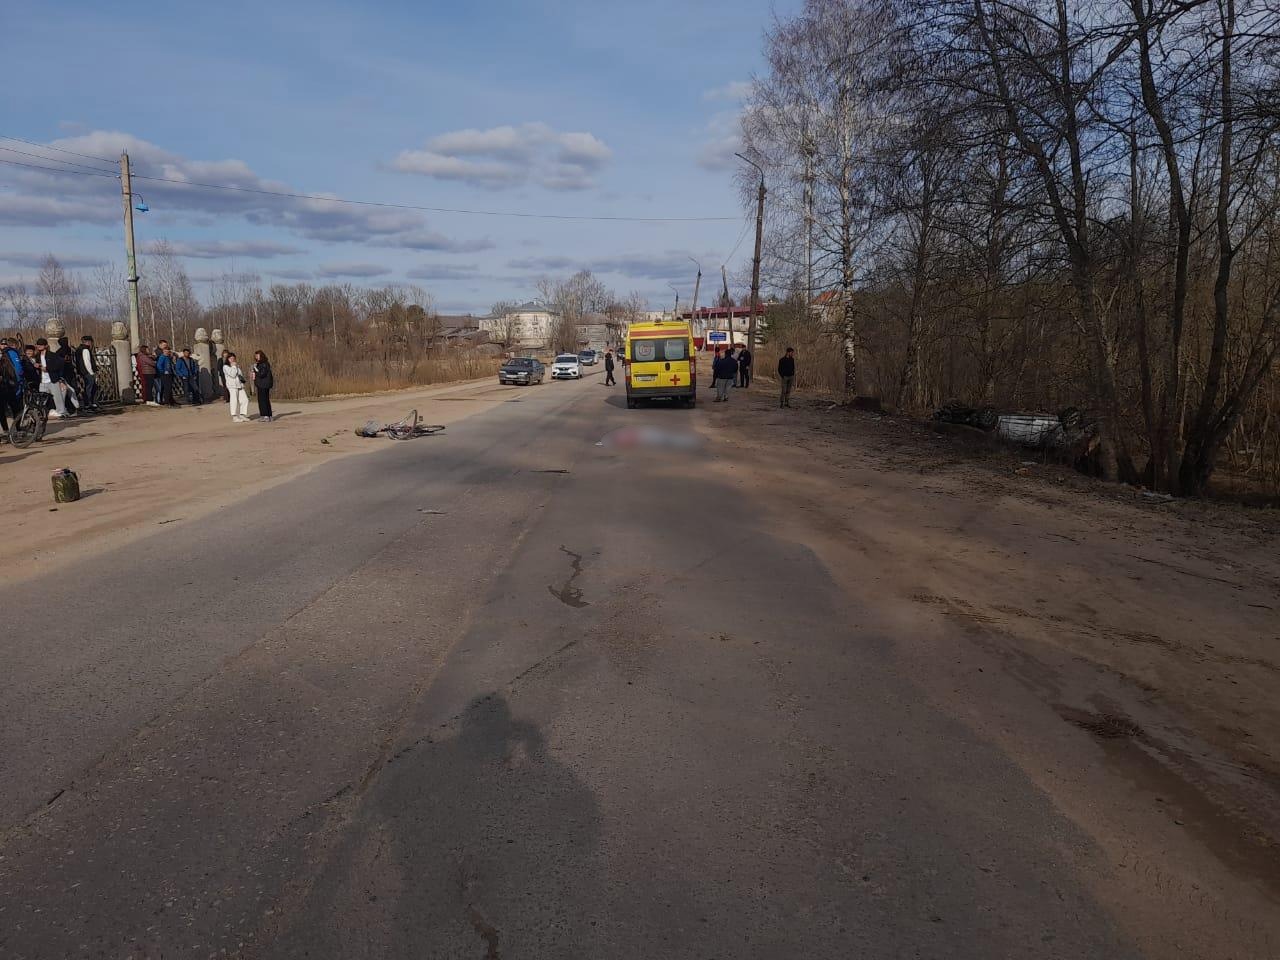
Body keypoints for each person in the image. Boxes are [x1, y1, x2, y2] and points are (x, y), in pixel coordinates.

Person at [34, 338, 71, 418]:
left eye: (41, 345)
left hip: (52, 379)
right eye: (38, 345)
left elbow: (58, 366)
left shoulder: (52, 355)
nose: (39, 346)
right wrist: (37, 366)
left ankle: (62, 412)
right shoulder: (37, 356)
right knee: (41, 398)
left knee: (58, 397)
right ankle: (41, 413)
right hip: (43, 380)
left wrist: (47, 369)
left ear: (46, 346)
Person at [76, 336, 100, 411]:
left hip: (83, 372)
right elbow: (87, 362)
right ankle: (89, 404)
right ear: (89, 342)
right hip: (87, 373)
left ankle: (89, 404)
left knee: (87, 388)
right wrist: (91, 372)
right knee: (90, 389)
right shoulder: (85, 350)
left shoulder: (79, 349)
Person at [224, 352, 249, 421]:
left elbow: (240, 374)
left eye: (233, 358)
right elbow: (232, 374)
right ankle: (234, 416)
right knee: (234, 400)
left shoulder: (236, 366)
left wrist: (236, 367)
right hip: (232, 386)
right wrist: (234, 366)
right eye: (230, 358)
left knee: (245, 400)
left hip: (239, 385)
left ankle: (242, 414)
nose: (232, 360)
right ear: (228, 359)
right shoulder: (226, 367)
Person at [251, 350, 274, 422]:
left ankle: (265, 415)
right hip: (262, 384)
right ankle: (269, 415)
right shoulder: (262, 364)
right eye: (256, 356)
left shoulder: (264, 364)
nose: (256, 357)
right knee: (265, 400)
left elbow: (261, 374)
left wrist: (255, 368)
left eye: (258, 356)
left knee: (262, 400)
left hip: (263, 384)